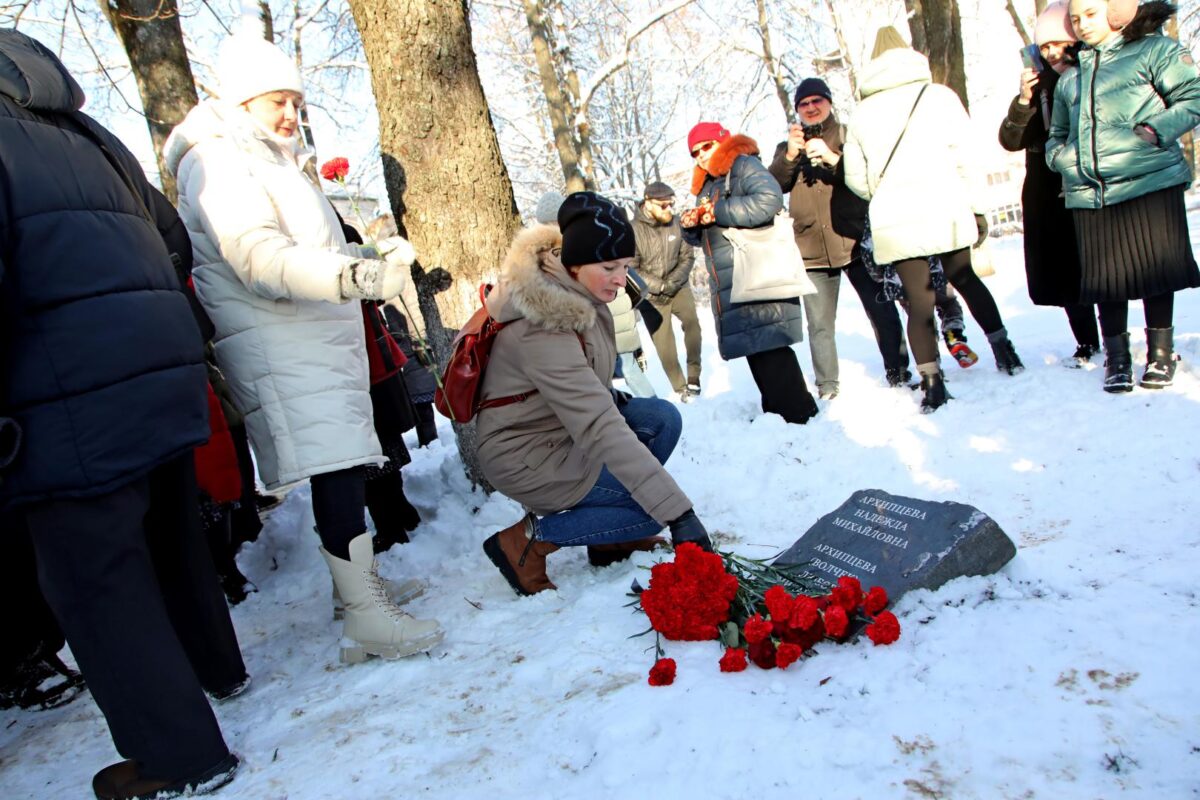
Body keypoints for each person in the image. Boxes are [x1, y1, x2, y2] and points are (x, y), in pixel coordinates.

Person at [0, 29, 244, 798]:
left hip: (63, 385)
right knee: (171, 539)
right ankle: (219, 670)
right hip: (154, 364)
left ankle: (179, 759)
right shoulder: (90, 134)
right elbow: (169, 239)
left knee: (96, 578)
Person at [165, 33, 442, 663]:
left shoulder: (269, 158)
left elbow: (313, 249)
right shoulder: (219, 162)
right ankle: (365, 617)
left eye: (296, 100)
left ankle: (357, 594)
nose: (292, 114)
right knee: (335, 466)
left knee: (341, 463)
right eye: (276, 102)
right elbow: (260, 259)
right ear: (241, 103)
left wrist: (369, 256)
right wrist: (355, 279)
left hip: (313, 339)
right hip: (280, 343)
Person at [476, 192, 713, 595]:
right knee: (647, 512)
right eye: (610, 267)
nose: (622, 280)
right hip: (525, 453)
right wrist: (680, 515)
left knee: (661, 419)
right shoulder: (545, 322)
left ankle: (610, 540)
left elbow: (590, 386)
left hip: (556, 430)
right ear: (574, 265)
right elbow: (598, 425)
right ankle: (524, 542)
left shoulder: (578, 291)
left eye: (626, 266)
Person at [843, 27, 1024, 413]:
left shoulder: (860, 114)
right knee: (966, 279)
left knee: (919, 300)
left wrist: (887, 190)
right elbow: (966, 156)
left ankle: (932, 382)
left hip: (897, 217)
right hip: (946, 206)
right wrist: (974, 206)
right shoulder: (940, 97)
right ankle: (1003, 349)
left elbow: (856, 181)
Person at [1047, 0, 1200, 392]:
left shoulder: (1154, 50)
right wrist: (1063, 159)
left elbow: (1193, 96)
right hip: (1091, 191)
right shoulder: (1070, 78)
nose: (1082, 25)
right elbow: (1056, 136)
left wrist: (1154, 130)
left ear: (1115, 12)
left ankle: (1160, 354)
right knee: (1105, 280)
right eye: (1076, 19)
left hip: (1148, 180)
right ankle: (1117, 358)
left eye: (1091, 15)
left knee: (1155, 270)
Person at [768, 77, 912, 395]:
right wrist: (791, 156)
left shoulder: (849, 135)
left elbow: (869, 177)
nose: (811, 108)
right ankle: (828, 386)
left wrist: (834, 158)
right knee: (819, 325)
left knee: (881, 311)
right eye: (803, 104)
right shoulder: (787, 147)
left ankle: (899, 371)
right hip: (810, 249)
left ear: (829, 102)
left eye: (816, 101)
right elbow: (773, 187)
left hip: (855, 240)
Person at [681, 122, 819, 424]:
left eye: (706, 147)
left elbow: (768, 200)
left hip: (755, 269)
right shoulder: (708, 185)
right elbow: (704, 234)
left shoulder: (742, 165)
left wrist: (717, 211)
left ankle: (799, 414)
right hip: (732, 277)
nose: (701, 156)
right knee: (755, 347)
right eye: (695, 153)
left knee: (769, 342)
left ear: (722, 141)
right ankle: (777, 412)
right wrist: (691, 225)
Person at [1000, 2, 1101, 368]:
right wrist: (1024, 101)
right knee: (1063, 269)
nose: (1052, 52)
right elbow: (1010, 140)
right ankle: (1087, 341)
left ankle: (1114, 339)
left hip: (1085, 177)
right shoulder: (1037, 86)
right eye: (1044, 47)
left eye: (1058, 43)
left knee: (1098, 263)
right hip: (1045, 186)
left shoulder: (1091, 73)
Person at [632, 182, 704, 401]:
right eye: (663, 205)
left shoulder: (677, 224)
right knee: (665, 345)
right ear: (647, 202)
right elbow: (632, 268)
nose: (669, 209)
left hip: (678, 286)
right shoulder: (632, 229)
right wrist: (660, 286)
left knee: (693, 325)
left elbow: (688, 257)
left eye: (671, 204)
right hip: (651, 295)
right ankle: (680, 386)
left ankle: (694, 376)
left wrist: (672, 282)